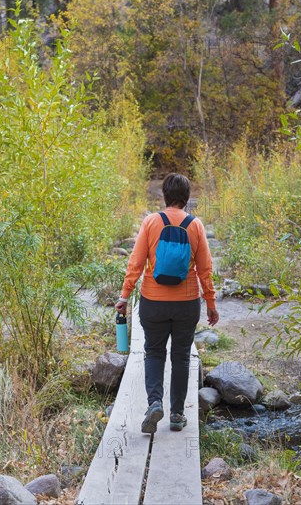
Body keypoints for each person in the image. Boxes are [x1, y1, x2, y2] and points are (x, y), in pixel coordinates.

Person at [115, 173, 219, 433]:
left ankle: (153, 403)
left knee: (154, 352)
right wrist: (211, 303)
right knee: (182, 357)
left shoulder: (151, 222)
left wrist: (124, 296)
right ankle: (176, 415)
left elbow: (136, 263)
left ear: (164, 195)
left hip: (153, 301)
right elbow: (205, 269)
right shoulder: (195, 225)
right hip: (187, 303)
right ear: (187, 198)